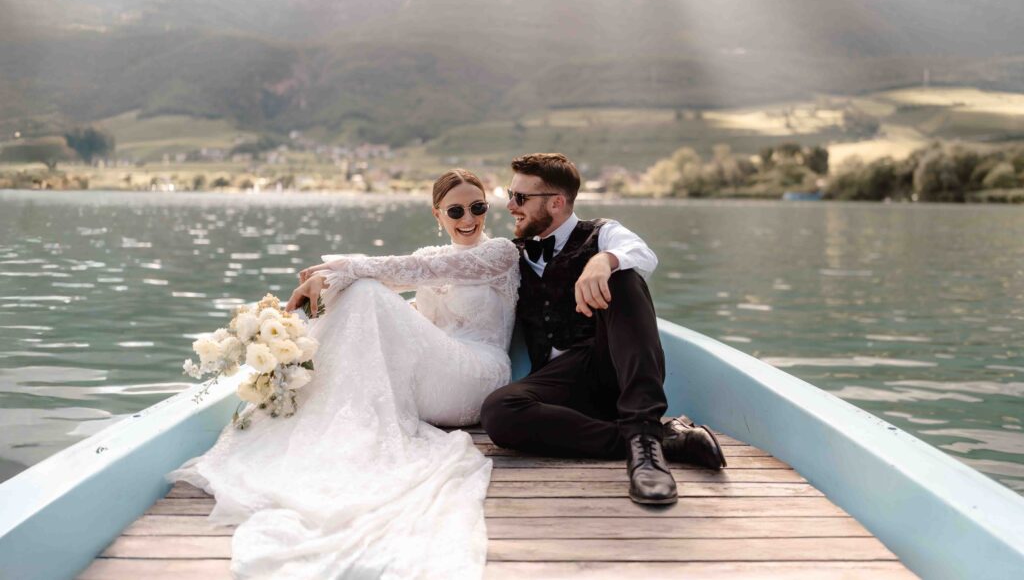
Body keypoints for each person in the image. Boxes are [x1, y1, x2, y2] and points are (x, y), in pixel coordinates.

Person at [168, 169, 519, 579]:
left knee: (367, 287)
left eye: (477, 207)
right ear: (437, 214)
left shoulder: (500, 253)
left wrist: (341, 268)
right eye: (455, 210)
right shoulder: (428, 255)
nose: (468, 218)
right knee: (363, 293)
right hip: (437, 376)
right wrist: (332, 285)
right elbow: (410, 308)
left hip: (479, 373)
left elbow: (407, 273)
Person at [480, 153, 726, 506]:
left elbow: (640, 253)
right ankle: (662, 440)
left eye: (520, 198)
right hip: (559, 384)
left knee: (623, 275)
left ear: (557, 202)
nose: (510, 206)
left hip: (610, 368)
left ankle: (645, 447)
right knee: (498, 412)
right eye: (509, 194)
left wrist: (603, 260)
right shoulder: (511, 254)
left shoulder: (603, 233)